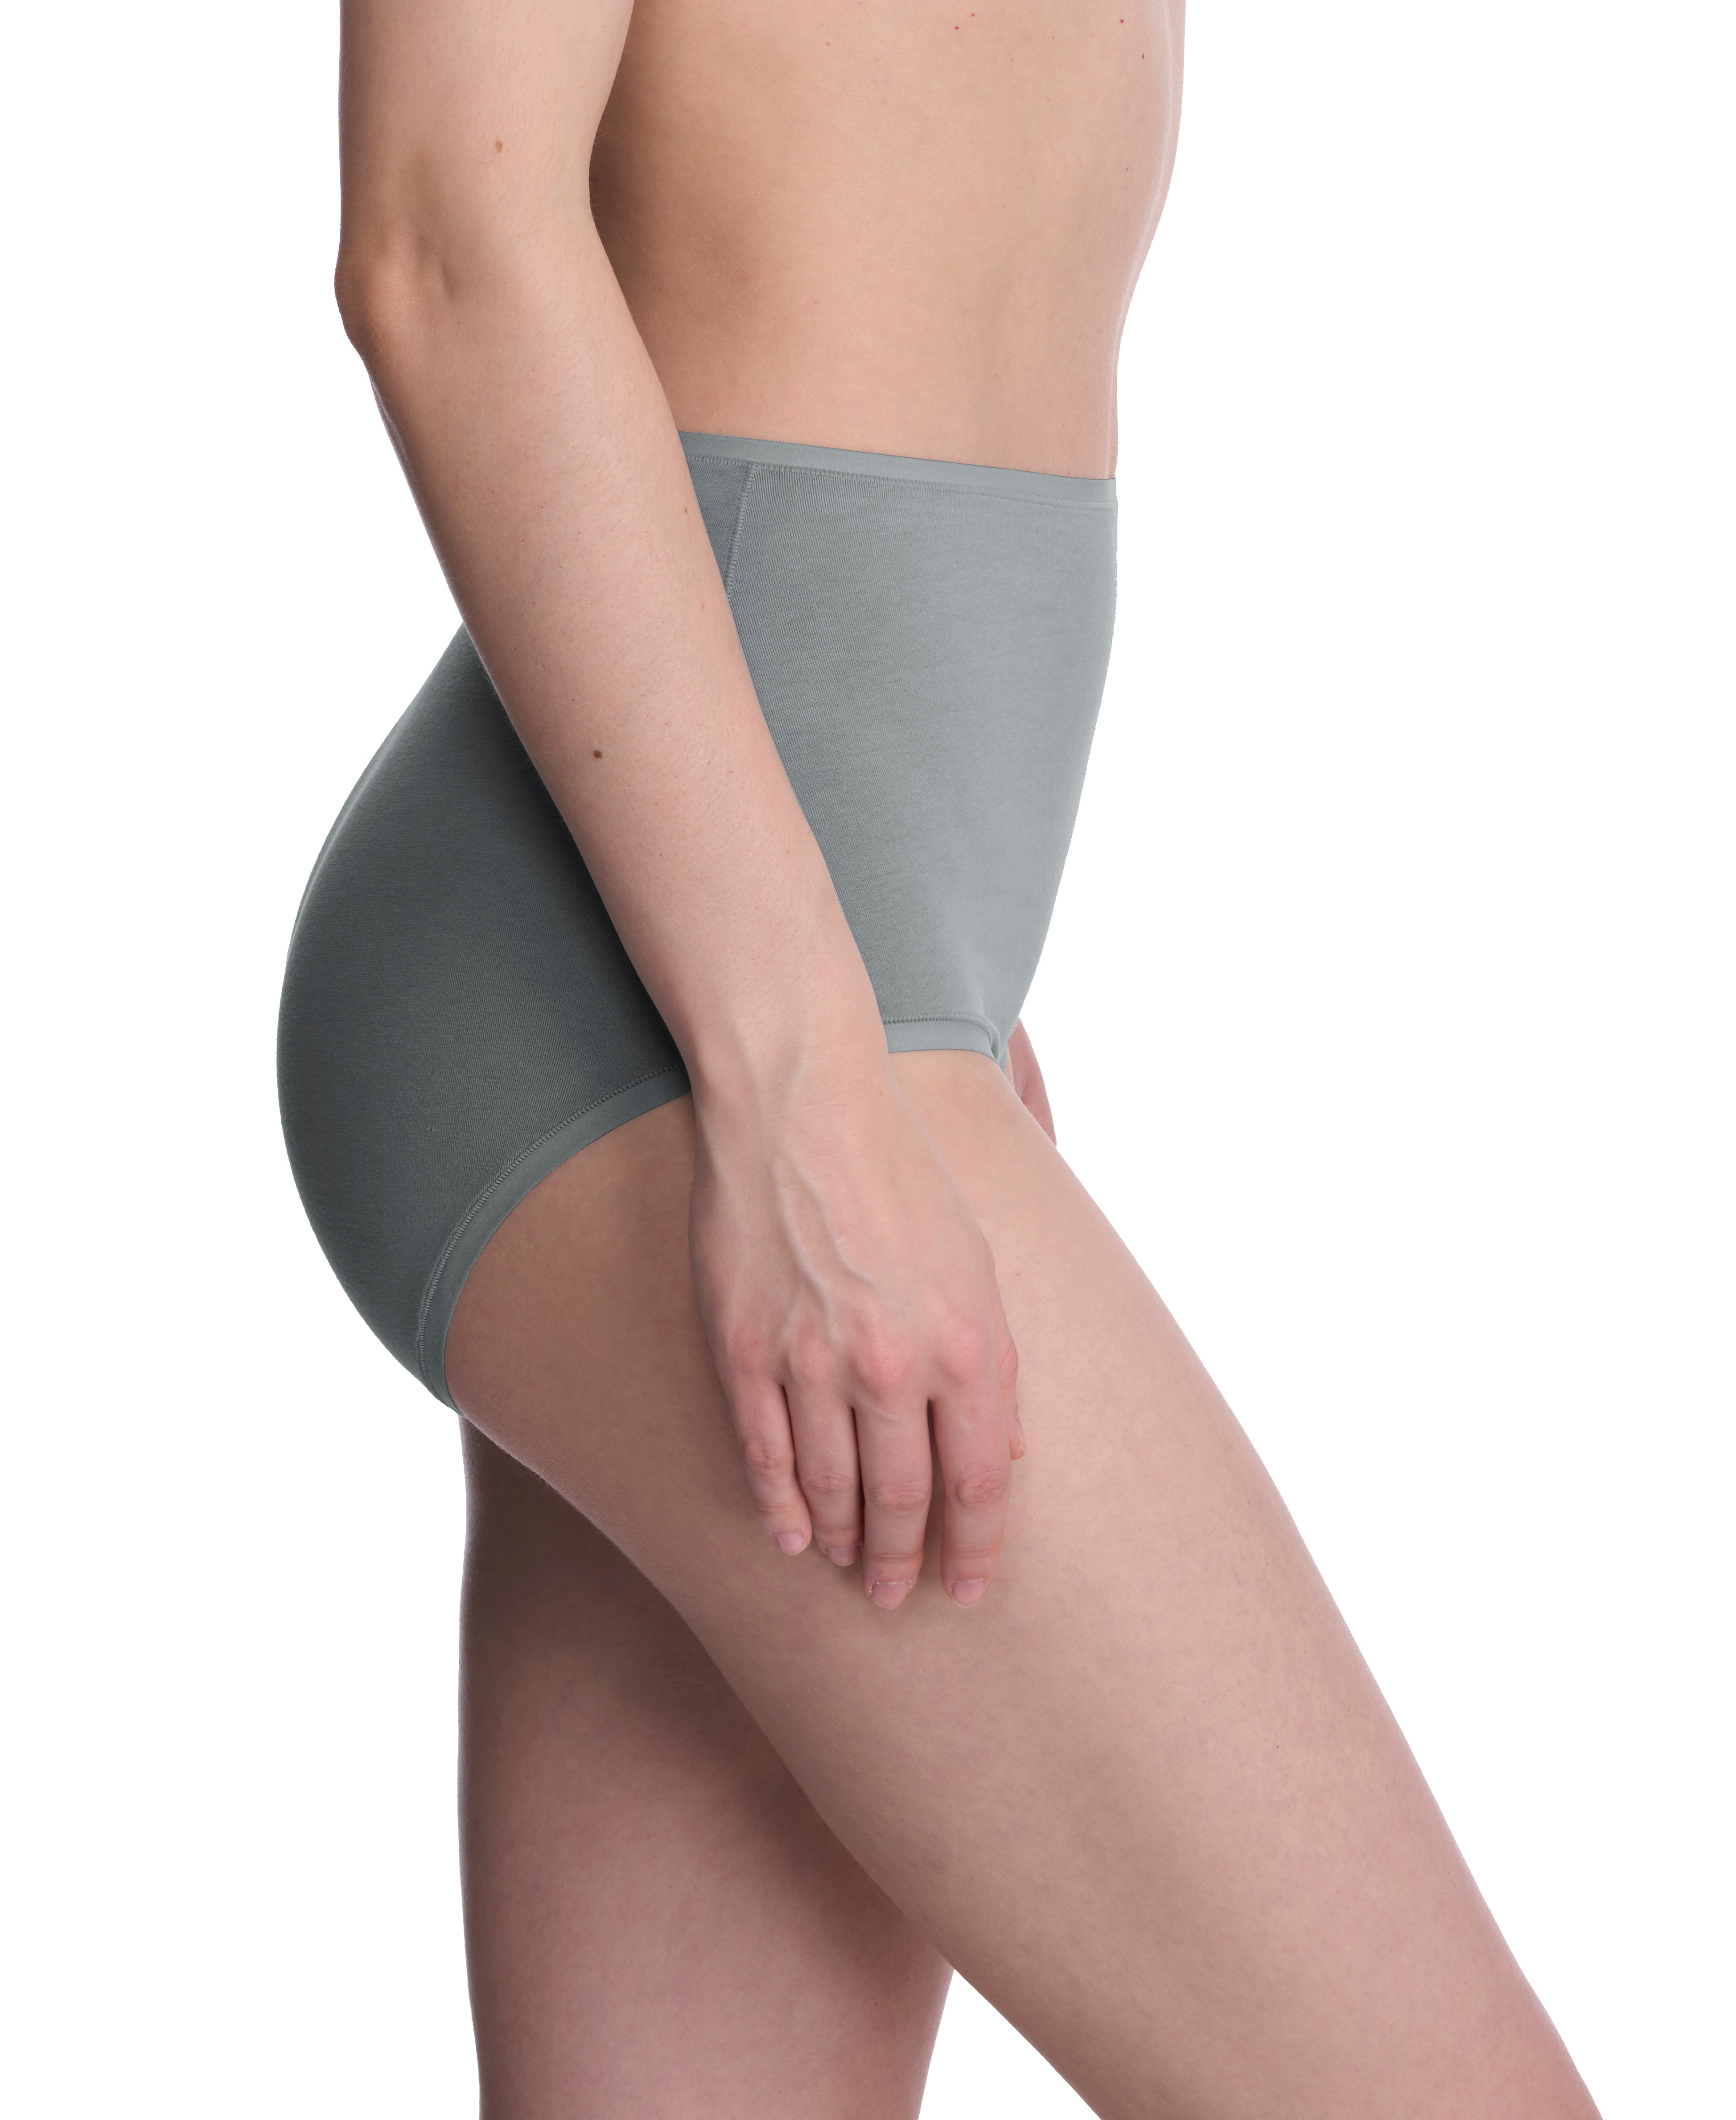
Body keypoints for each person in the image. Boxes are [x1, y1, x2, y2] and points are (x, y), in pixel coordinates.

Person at [277, 3, 1600, 2112]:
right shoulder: (774, 1056)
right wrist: (804, 1063)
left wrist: (895, 1018)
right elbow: (442, 242)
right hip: (647, 1008)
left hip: (803, 972)